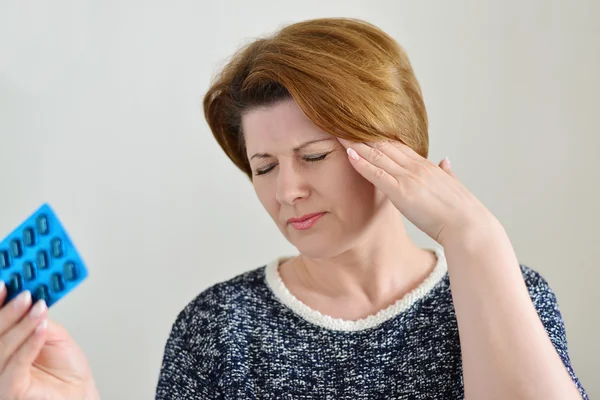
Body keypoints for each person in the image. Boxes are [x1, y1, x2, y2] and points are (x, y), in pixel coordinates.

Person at [0, 17, 588, 400]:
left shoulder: (506, 291)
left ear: (391, 144)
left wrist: (475, 238)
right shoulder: (217, 328)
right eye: (264, 167)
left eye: (312, 156)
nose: (287, 191)